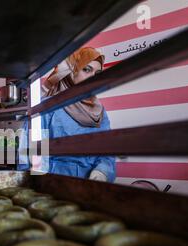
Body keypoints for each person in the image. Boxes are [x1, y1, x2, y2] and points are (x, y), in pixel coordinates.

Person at [18, 47, 116, 182]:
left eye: (97, 72)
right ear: (71, 72)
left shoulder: (99, 111)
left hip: (91, 186)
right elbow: (29, 154)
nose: (93, 77)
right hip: (54, 184)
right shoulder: (48, 107)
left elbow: (107, 152)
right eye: (86, 70)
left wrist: (102, 172)